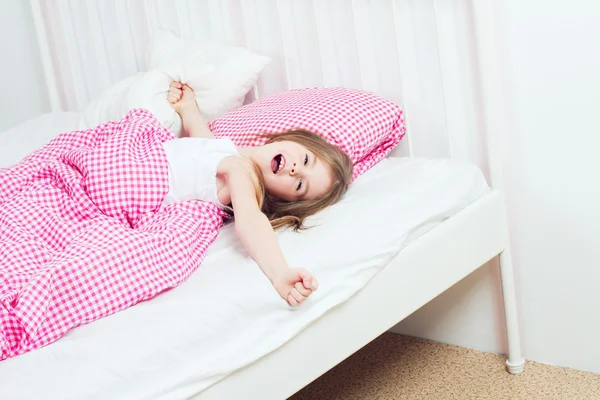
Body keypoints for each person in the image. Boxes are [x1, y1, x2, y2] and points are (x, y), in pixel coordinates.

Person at [165, 82, 353, 306]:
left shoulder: (243, 174)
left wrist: (280, 273)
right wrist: (187, 107)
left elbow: (251, 221)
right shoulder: (228, 151)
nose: (295, 170)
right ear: (294, 139)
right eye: (305, 160)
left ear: (280, 198)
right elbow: (201, 140)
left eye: (300, 184)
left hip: (137, 176)